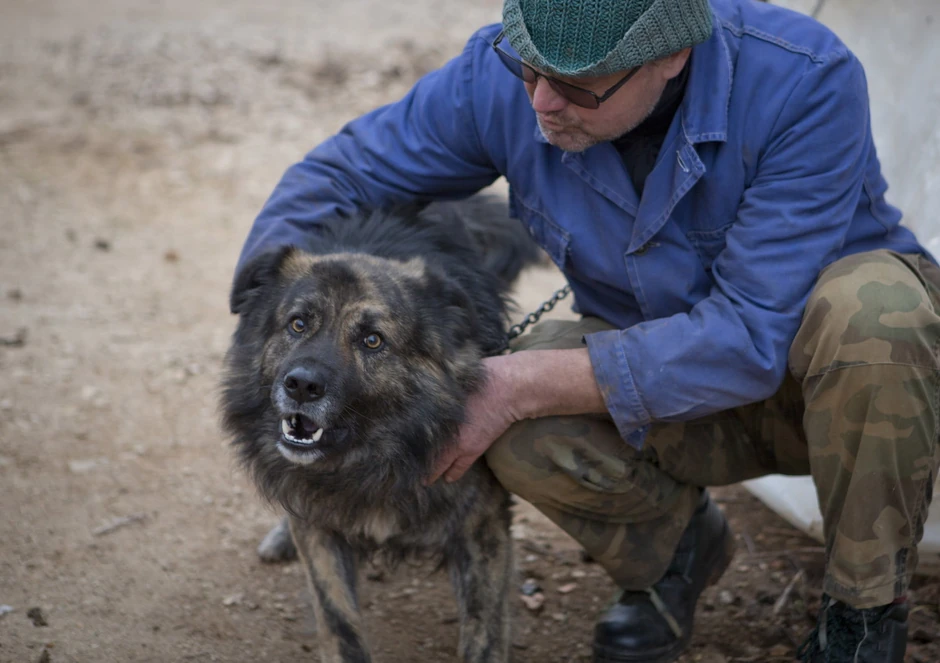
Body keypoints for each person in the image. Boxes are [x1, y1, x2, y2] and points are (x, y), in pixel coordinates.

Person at [235, 0, 940, 660]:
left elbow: (751, 336)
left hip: (837, 395)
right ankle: (674, 552)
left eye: (578, 86)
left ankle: (864, 615)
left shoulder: (804, 80)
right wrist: (268, 296)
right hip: (663, 385)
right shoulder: (506, 76)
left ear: (671, 56)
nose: (542, 102)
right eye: (531, 70)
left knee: (876, 310)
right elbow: (347, 169)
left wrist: (522, 383)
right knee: (487, 406)